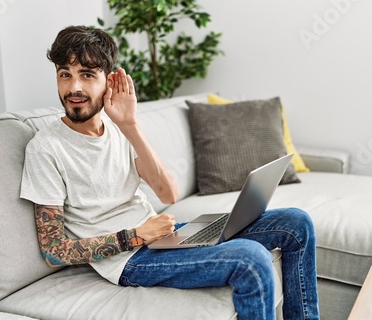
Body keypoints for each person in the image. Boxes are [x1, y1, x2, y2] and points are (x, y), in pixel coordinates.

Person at [20, 25, 319, 320]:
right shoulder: (45, 148)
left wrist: (130, 125)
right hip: (129, 259)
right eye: (65, 74)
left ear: (108, 81)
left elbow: (168, 193)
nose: (74, 88)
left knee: (296, 223)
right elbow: (54, 252)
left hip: (164, 235)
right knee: (251, 259)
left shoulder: (118, 129)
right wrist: (135, 236)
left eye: (87, 75)